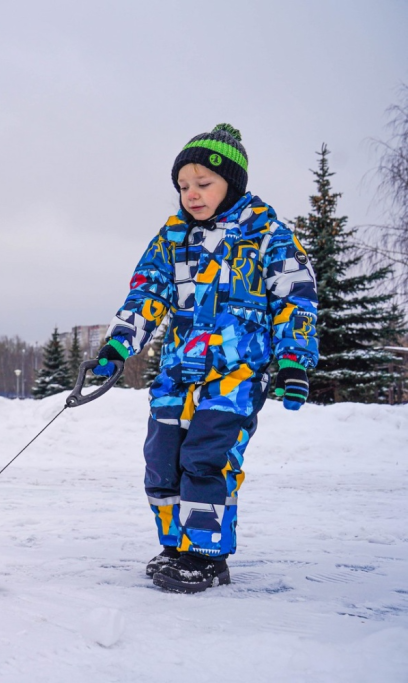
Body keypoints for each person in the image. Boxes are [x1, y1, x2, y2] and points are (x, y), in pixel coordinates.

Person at [93, 123, 318, 593]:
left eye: (203, 184)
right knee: (162, 461)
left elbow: (296, 301)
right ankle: (176, 545)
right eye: (183, 186)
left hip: (235, 375)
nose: (191, 195)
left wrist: (294, 362)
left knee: (206, 461)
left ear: (231, 185)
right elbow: (145, 293)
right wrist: (118, 345)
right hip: (176, 373)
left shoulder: (267, 236)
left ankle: (207, 554)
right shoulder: (173, 238)